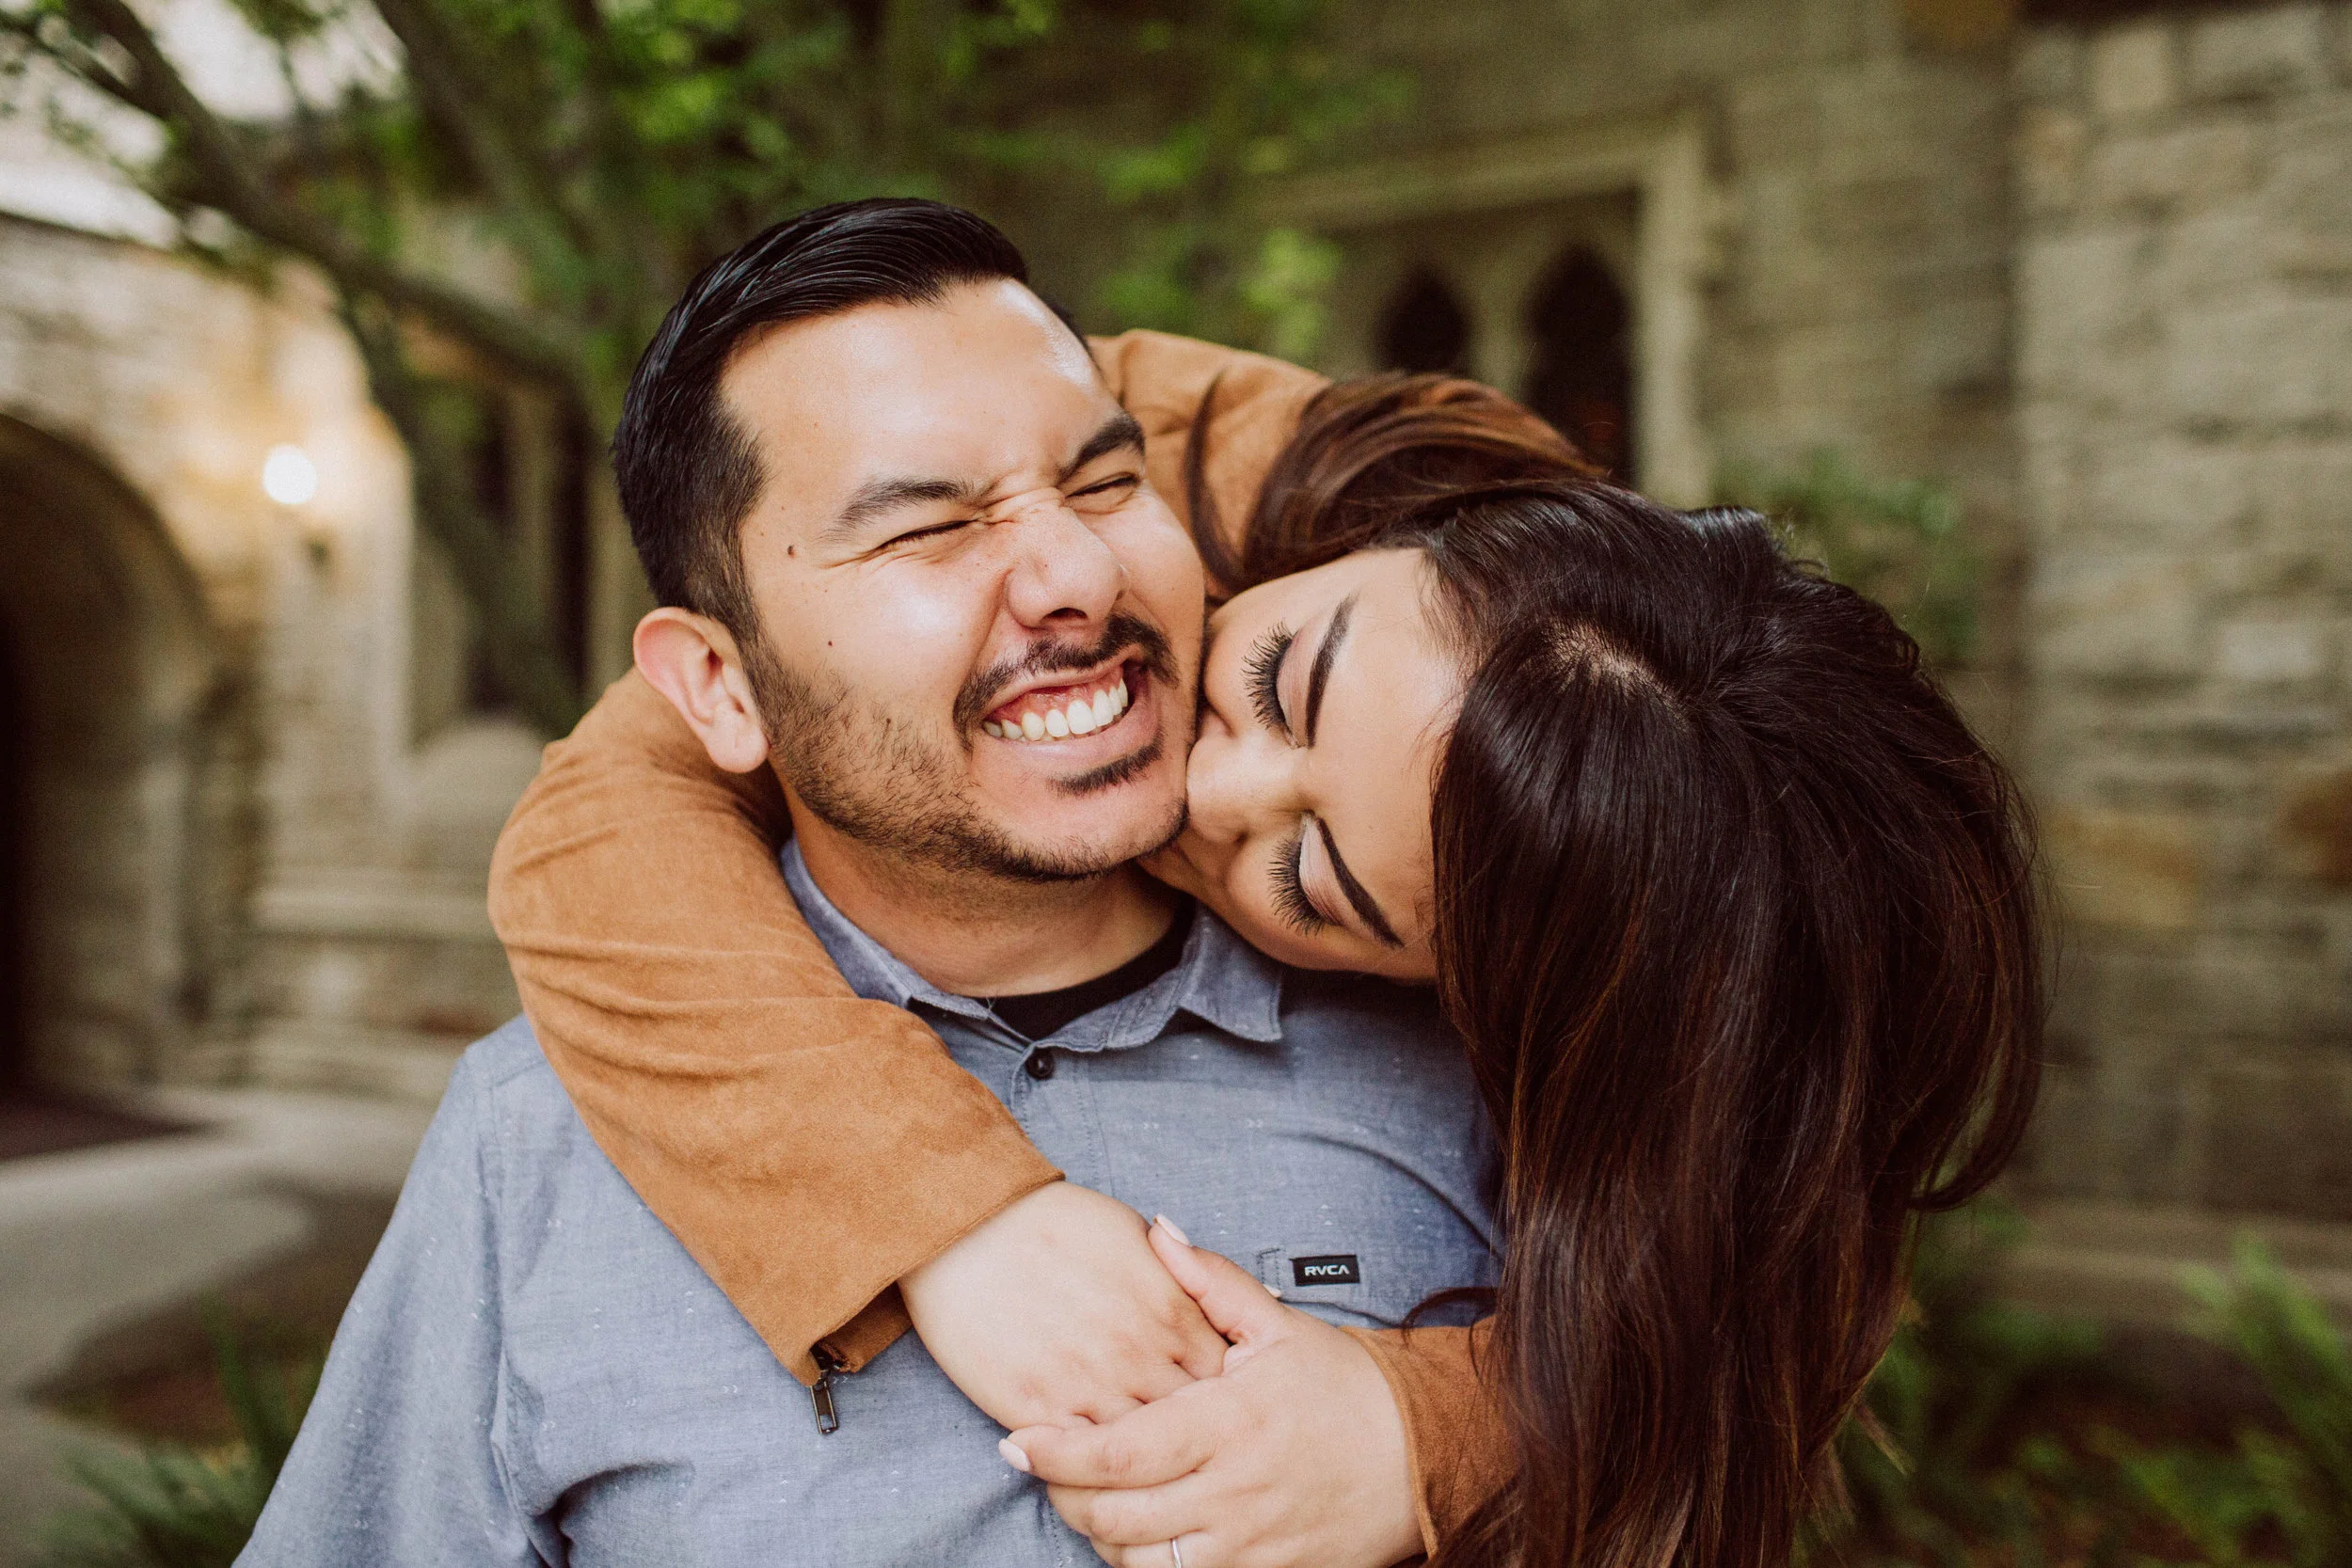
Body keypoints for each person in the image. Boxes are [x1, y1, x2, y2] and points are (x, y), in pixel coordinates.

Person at [479, 211, 2047, 1565]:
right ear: (1383, 537)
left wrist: (1429, 1426)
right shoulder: (1155, 449)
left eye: (1311, 871)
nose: (1203, 792)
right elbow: (601, 817)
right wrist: (950, 1214)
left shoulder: (1497, 1080)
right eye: (1286, 677)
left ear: (1436, 981)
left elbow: (1750, 1271)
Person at [242, 198, 1505, 1568]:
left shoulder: (1472, 1049)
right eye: (929, 530)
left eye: (1101, 484)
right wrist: (934, 1205)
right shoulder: (530, 1144)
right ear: (722, 688)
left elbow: (1731, 1357)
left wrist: (1445, 1431)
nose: (1075, 573)